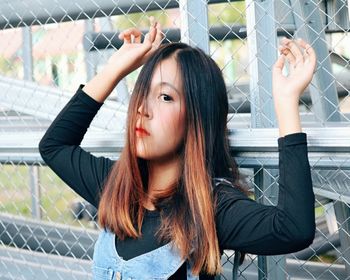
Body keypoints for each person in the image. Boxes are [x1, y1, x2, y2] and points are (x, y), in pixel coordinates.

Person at [39, 17, 316, 280]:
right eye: (141, 93)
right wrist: (115, 69)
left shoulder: (211, 207)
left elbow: (294, 229)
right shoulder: (118, 188)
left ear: (198, 116)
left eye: (165, 96)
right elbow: (54, 146)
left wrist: (286, 102)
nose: (142, 109)